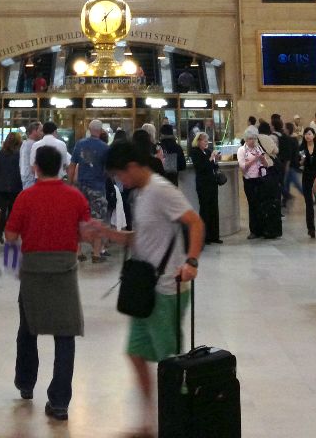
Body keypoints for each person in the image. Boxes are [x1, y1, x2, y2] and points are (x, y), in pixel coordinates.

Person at [99, 139, 204, 438]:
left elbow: (195, 223)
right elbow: (142, 237)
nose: (120, 181)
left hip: (168, 289)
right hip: (146, 289)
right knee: (136, 353)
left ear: (132, 167)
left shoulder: (160, 189)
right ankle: (149, 422)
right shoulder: (141, 193)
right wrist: (108, 233)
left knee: (170, 364)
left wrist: (191, 261)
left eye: (120, 174)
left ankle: (175, 425)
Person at [6, 145, 92, 422]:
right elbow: (86, 233)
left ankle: (26, 383)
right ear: (62, 168)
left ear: (36, 168)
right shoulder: (75, 197)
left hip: (32, 270)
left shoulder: (25, 197)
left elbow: (10, 235)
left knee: (27, 328)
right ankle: (59, 402)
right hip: (64, 270)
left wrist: (12, 264)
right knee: (65, 334)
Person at [69, 119, 110, 262]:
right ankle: (96, 254)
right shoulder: (105, 148)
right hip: (97, 187)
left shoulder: (79, 144)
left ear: (89, 128)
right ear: (101, 130)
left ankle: (78, 252)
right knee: (97, 220)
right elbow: (108, 170)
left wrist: (70, 184)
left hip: (81, 187)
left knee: (79, 219)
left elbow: (72, 166)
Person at [237, 126, 273, 239]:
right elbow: (243, 167)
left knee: (261, 204)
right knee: (253, 205)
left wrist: (262, 159)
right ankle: (254, 230)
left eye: (254, 138)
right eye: (250, 139)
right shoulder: (242, 150)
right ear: (246, 139)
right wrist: (254, 159)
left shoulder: (258, 148)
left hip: (260, 179)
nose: (252, 141)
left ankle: (262, 229)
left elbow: (266, 165)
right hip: (249, 180)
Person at [0, 130, 23, 241]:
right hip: (16, 186)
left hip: (1, 186)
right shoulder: (20, 154)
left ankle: (1, 233)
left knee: (1, 211)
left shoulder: (1, 153)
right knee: (13, 211)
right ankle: (9, 233)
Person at [190, 131, 222, 244]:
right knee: (205, 210)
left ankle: (214, 236)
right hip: (203, 184)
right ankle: (205, 237)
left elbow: (213, 167)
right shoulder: (195, 152)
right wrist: (210, 158)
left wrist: (216, 159)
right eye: (204, 141)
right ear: (198, 141)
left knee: (214, 209)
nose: (206, 143)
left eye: (207, 141)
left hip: (212, 183)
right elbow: (200, 168)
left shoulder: (208, 151)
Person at [299, 126, 316, 237]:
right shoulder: (301, 149)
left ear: (314, 135)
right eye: (306, 134)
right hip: (306, 177)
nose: (308, 136)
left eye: (310, 134)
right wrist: (302, 161)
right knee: (309, 203)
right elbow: (298, 163)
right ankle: (311, 229)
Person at [20, 121, 43, 190]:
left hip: (25, 177)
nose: (42, 133)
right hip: (32, 179)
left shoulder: (25, 143)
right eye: (41, 130)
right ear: (34, 131)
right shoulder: (33, 145)